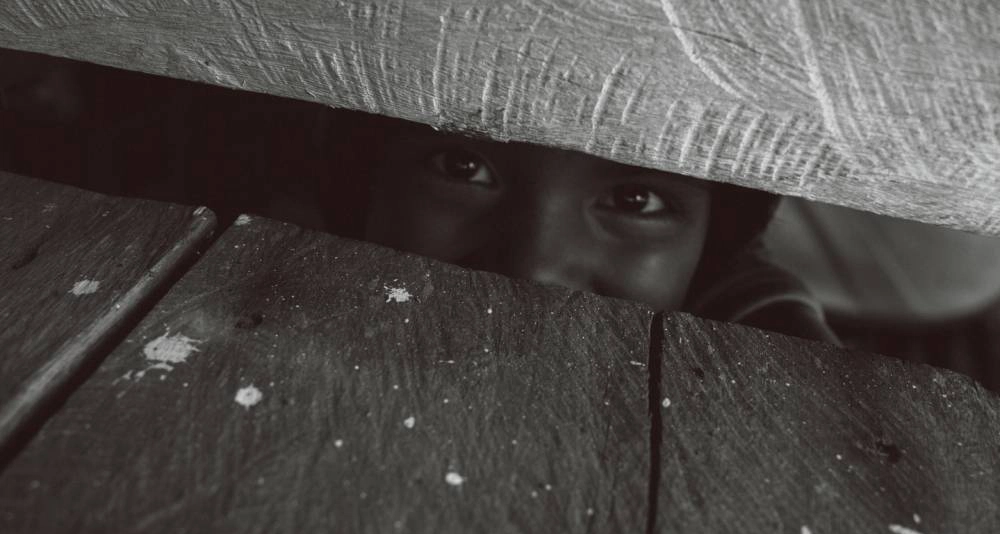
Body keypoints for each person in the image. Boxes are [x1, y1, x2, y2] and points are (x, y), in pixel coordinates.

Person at [335, 112, 840, 344]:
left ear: (712, 244)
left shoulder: (737, 303)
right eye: (461, 168)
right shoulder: (303, 235)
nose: (534, 270)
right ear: (364, 177)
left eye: (633, 201)